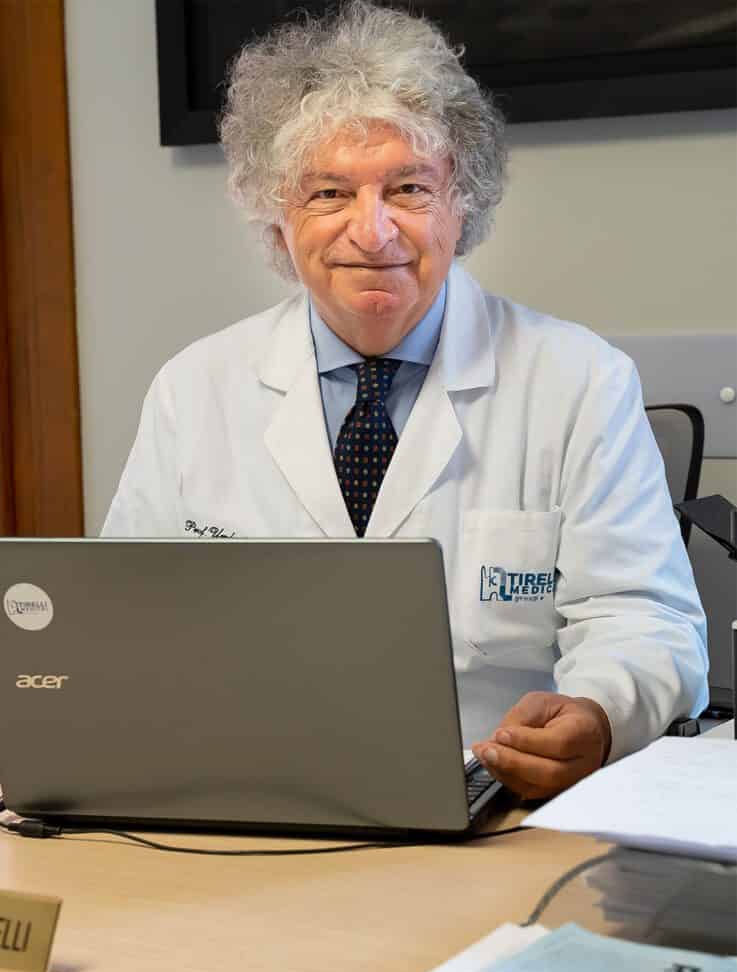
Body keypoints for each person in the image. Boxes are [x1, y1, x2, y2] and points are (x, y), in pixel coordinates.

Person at [102, 1, 708, 798]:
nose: (373, 231)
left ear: (464, 205)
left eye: (409, 188)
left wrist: (596, 715)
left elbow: (644, 619)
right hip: (255, 790)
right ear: (276, 217)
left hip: (493, 793)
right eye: (328, 193)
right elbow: (127, 620)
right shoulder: (196, 388)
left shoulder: (578, 379)